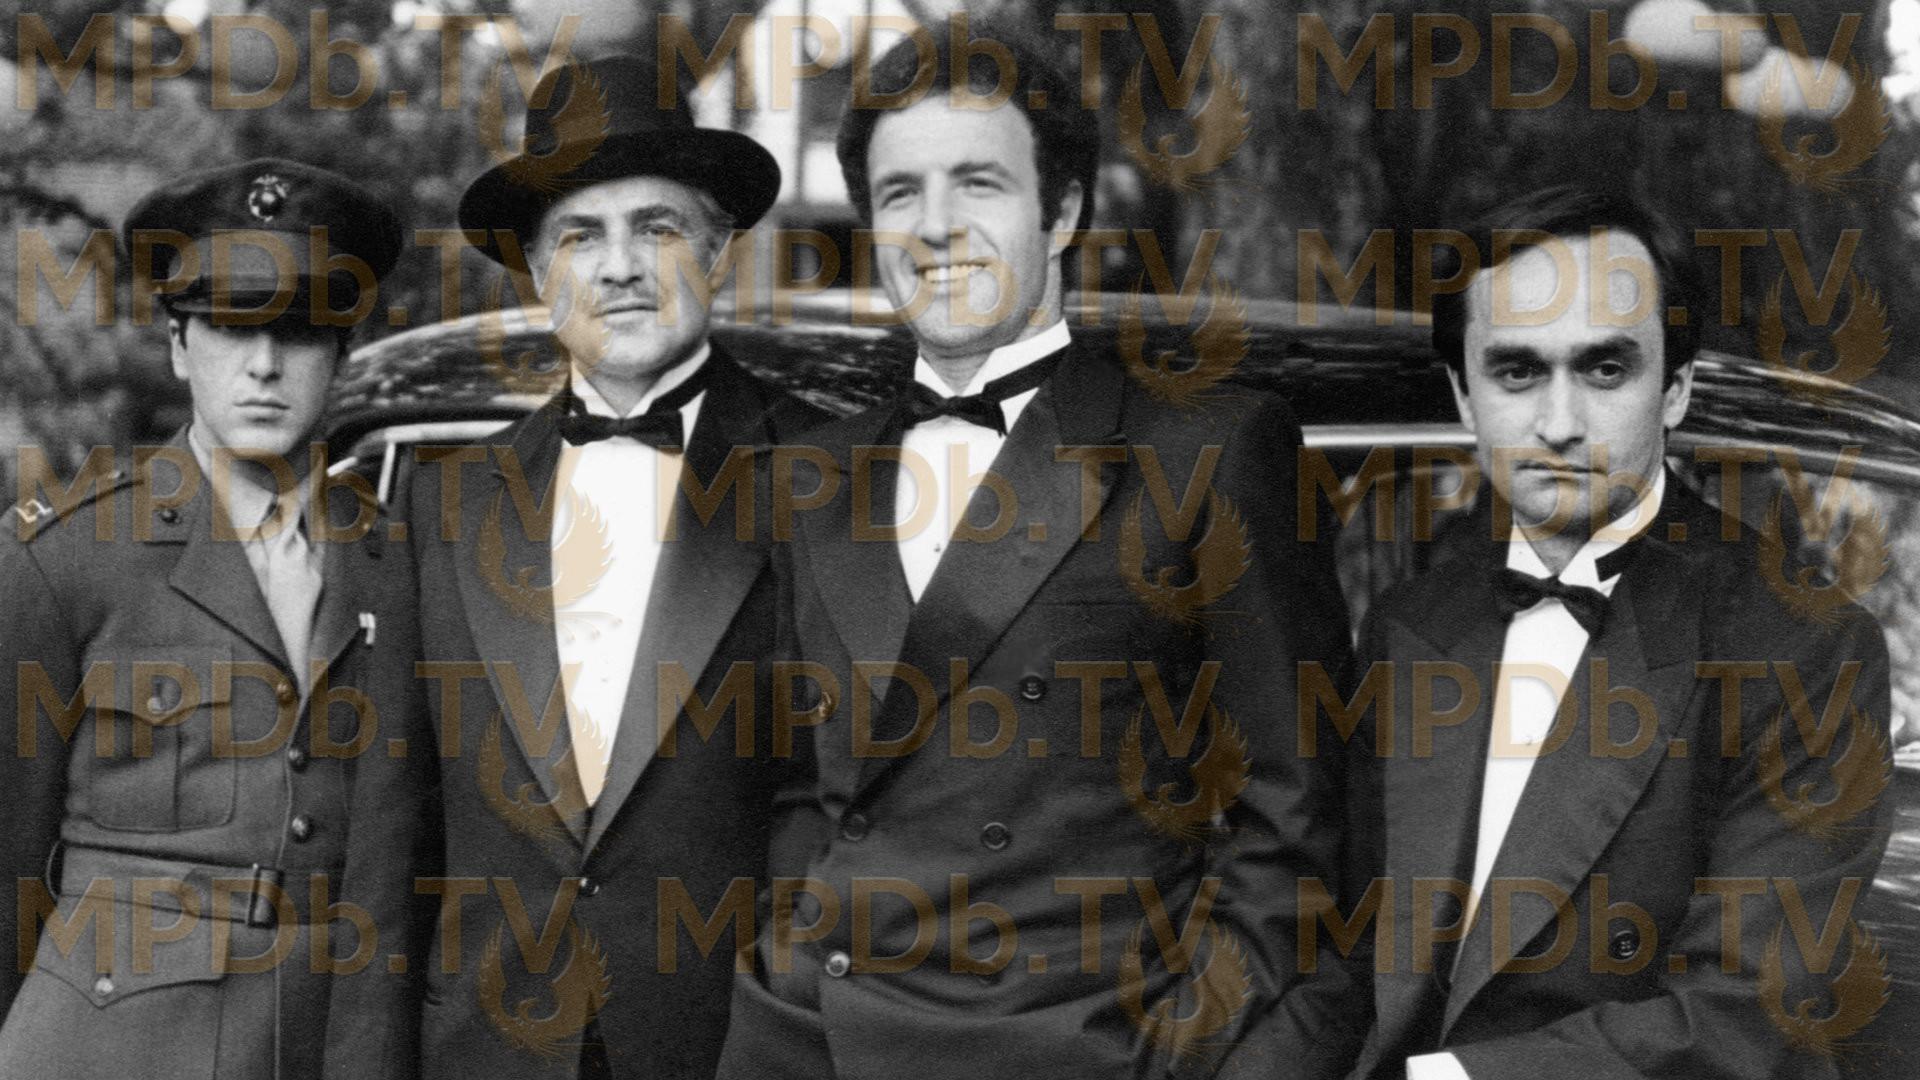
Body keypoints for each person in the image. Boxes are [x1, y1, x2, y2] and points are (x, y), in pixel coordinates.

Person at [715, 31, 1361, 1080]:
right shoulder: (810, 476)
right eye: (901, 194)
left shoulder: (1209, 449)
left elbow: (1291, 816)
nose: (936, 226)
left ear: (1061, 214)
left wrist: (1177, 1047)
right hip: (810, 1038)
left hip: (1076, 1042)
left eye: (979, 183)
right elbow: (797, 785)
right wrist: (791, 964)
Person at [1346, 185, 1894, 1079]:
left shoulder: (1808, 647)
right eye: (1517, 372)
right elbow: (1346, 963)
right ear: (1463, 396)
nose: (1559, 425)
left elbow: (1739, 1015)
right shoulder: (1410, 625)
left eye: (1605, 370)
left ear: (1676, 389)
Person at [407, 53, 824, 1080]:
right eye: (580, 236)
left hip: (733, 1046)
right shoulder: (443, 501)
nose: (621, 266)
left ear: (718, 248)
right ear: (536, 270)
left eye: (658, 228)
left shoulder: (833, 479)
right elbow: (395, 829)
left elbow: (852, 810)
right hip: (487, 1048)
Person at [0, 158, 422, 1079]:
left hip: (330, 1044)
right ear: (180, 345)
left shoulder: (402, 563)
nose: (264, 366)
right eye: (231, 327)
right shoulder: (67, 557)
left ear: (343, 351)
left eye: (300, 332)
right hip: (113, 1050)